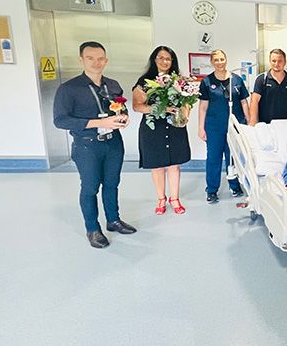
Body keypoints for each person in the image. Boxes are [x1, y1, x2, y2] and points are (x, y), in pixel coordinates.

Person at [53, 41, 137, 248]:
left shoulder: (113, 84)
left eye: (100, 58)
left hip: (113, 143)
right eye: (90, 58)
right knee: (90, 187)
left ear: (106, 60)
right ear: (81, 60)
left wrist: (124, 118)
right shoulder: (69, 89)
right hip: (87, 146)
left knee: (112, 184)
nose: (96, 62)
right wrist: (99, 122)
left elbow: (120, 108)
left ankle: (113, 220)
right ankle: (93, 228)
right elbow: (60, 120)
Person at [132, 46, 191, 215]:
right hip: (153, 128)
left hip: (174, 126)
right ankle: (161, 199)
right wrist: (161, 109)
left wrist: (185, 115)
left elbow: (187, 102)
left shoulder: (179, 81)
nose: (164, 61)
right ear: (154, 59)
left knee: (174, 165)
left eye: (168, 58)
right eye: (161, 57)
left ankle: (175, 198)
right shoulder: (144, 82)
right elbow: (137, 106)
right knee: (157, 166)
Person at [198, 49, 249, 204]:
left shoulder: (237, 80)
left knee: (233, 158)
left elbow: (244, 102)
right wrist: (201, 127)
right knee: (213, 159)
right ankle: (212, 190)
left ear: (226, 60)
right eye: (217, 60)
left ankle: (235, 186)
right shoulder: (207, 82)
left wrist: (250, 122)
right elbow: (202, 107)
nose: (220, 62)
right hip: (214, 127)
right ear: (212, 62)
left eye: (222, 59)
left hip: (235, 126)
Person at [249, 48, 287, 125]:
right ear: (270, 62)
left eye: (280, 61)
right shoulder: (261, 79)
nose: (276, 64)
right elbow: (254, 101)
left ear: (285, 62)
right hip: (265, 125)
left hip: (285, 125)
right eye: (274, 61)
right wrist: (253, 122)